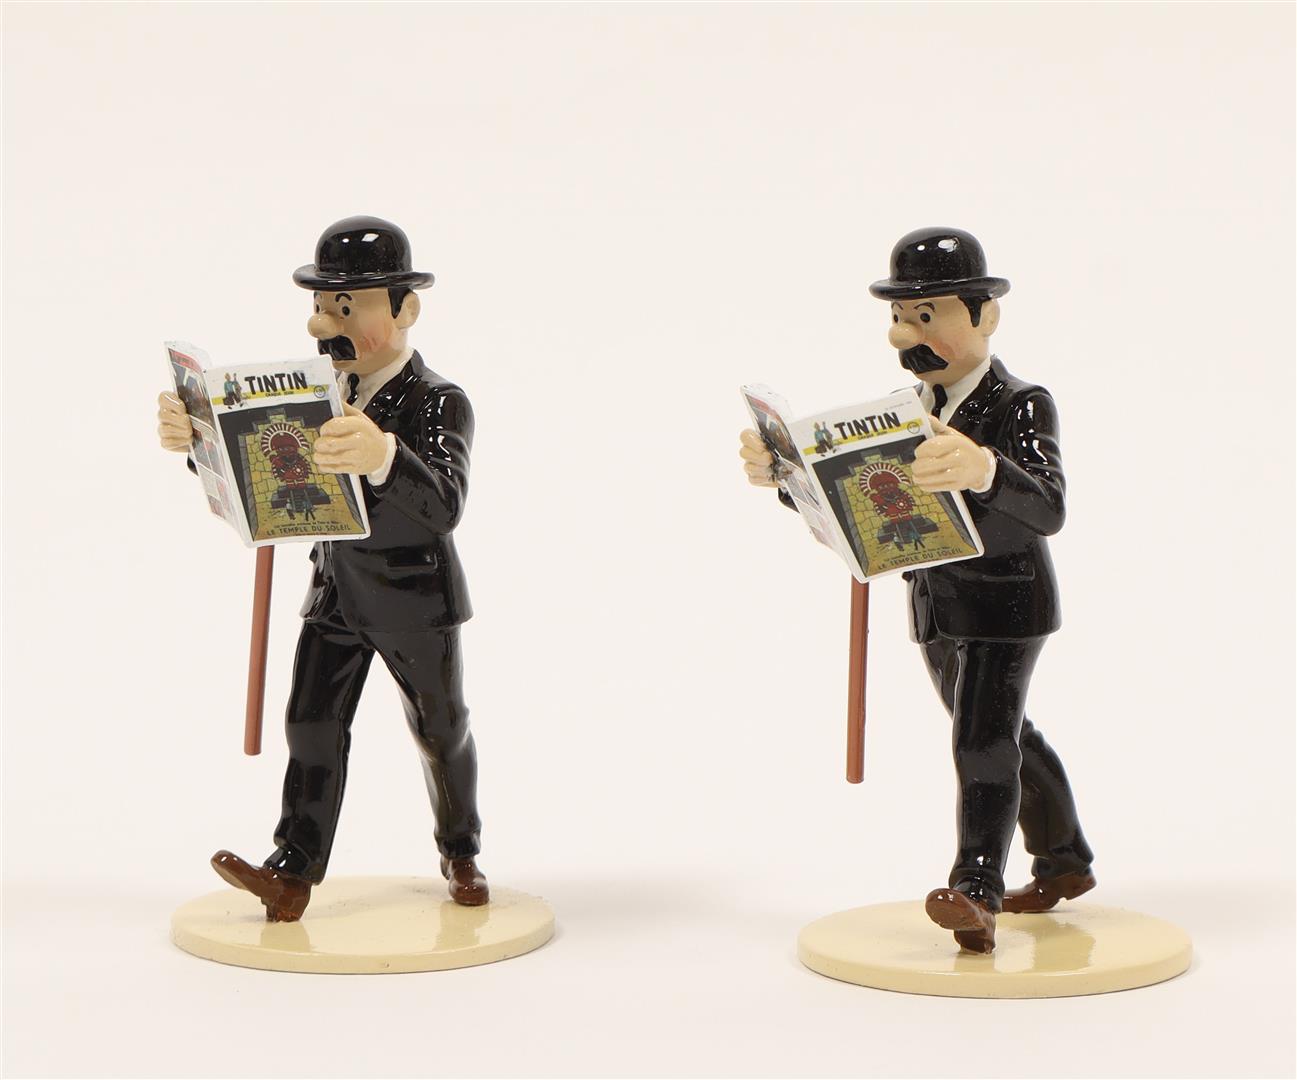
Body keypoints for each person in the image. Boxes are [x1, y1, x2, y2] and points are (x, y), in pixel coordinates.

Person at [738, 228, 1094, 953]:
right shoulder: (906, 406)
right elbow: (863, 503)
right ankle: (1065, 860)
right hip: (938, 603)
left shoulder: (1021, 405)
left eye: (925, 316)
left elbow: (1049, 507)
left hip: (1006, 603)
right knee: (1003, 735)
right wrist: (787, 479)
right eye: (899, 317)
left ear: (984, 316)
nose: (904, 335)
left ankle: (975, 890)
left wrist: (985, 469)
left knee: (981, 743)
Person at [156, 216, 488, 920]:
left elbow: (444, 505)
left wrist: (384, 456)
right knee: (309, 726)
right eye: (319, 305)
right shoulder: (316, 393)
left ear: (405, 308)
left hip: (412, 600)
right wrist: (202, 445)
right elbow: (270, 477)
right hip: (335, 592)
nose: (320, 325)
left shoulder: (437, 401)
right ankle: (293, 871)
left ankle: (461, 851)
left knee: (439, 730)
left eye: (345, 307)